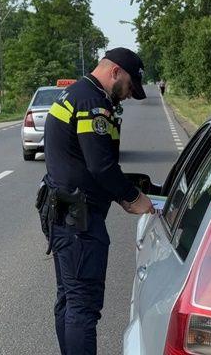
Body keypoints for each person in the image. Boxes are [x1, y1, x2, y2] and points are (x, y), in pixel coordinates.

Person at [41, 47, 155, 355]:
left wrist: (126, 189)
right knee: (82, 306)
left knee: (69, 300)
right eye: (129, 86)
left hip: (62, 213)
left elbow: (81, 161)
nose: (128, 95)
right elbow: (100, 166)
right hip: (79, 222)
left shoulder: (75, 94)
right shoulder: (93, 103)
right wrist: (133, 198)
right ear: (115, 72)